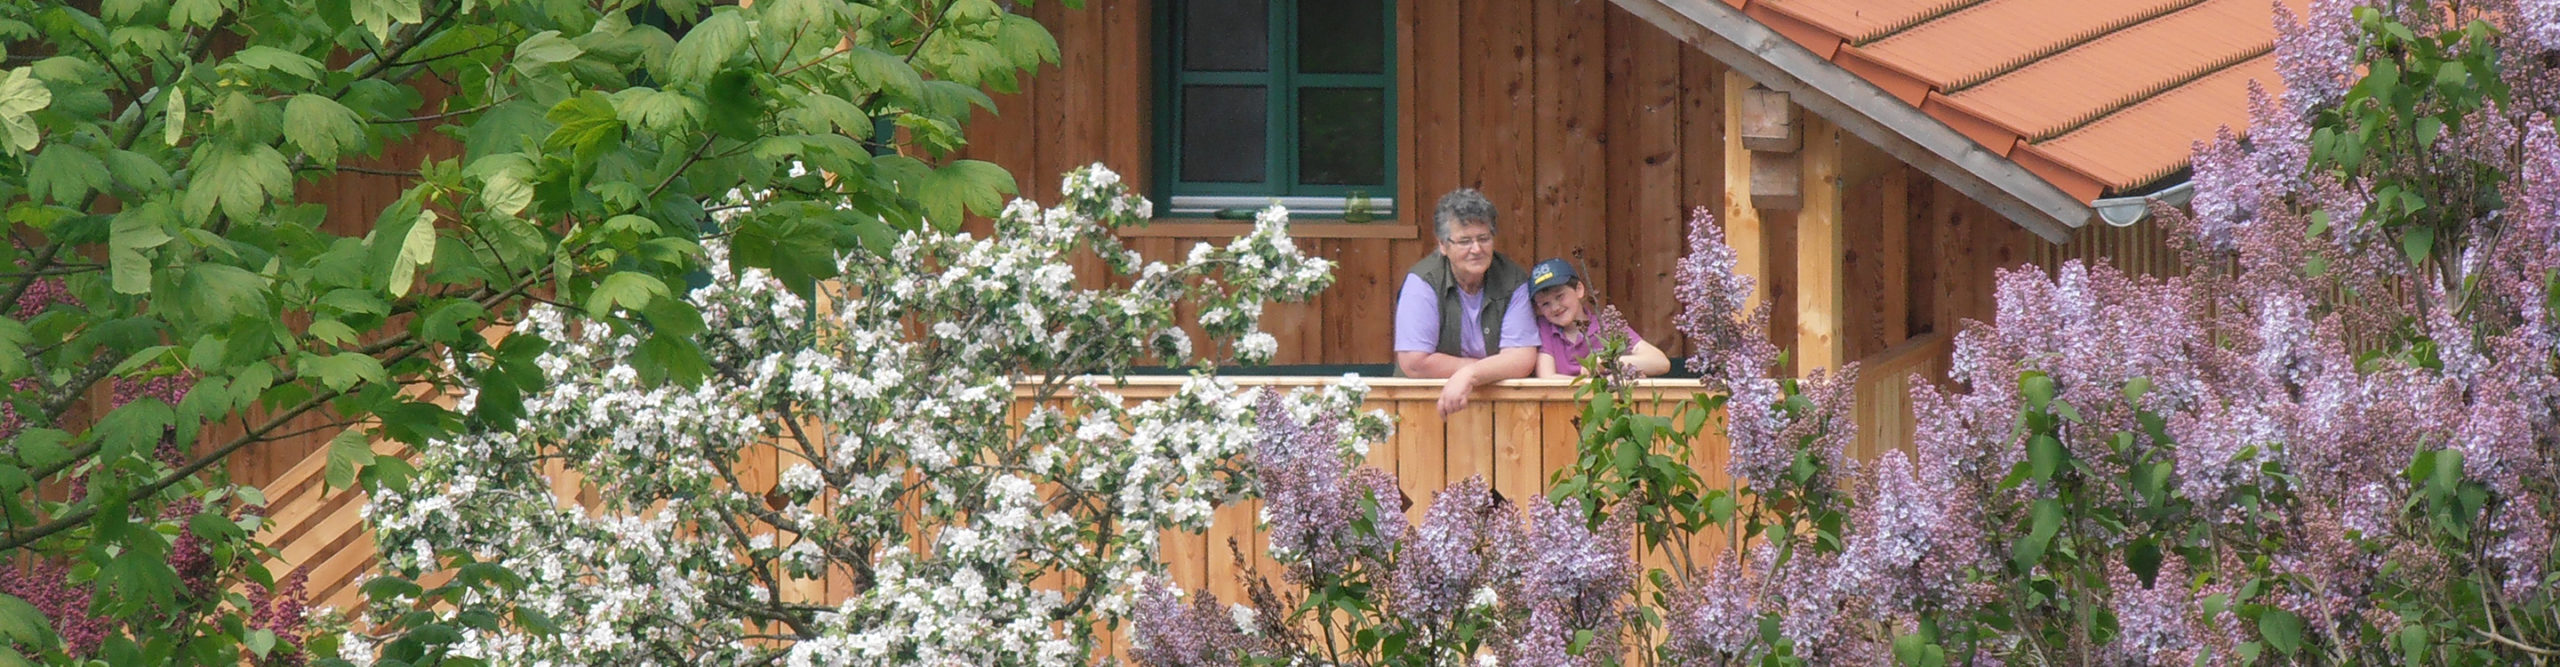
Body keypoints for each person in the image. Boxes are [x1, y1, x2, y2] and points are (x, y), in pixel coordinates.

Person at [1394, 189, 1537, 414]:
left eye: (1484, 238)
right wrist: (1480, 370)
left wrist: (1469, 376)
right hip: (1424, 407)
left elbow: (1522, 357)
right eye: (1464, 241)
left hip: (1501, 409)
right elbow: (1414, 362)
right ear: (1443, 245)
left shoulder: (1512, 278)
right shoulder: (1422, 282)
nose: (1476, 249)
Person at [1525, 258, 1672, 379]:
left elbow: (1661, 362)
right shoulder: (1544, 328)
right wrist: (1593, 384)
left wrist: (1610, 363)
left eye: (1560, 296)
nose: (1555, 307)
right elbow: (1547, 377)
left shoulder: (1606, 326)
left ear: (1579, 290)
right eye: (1545, 303)